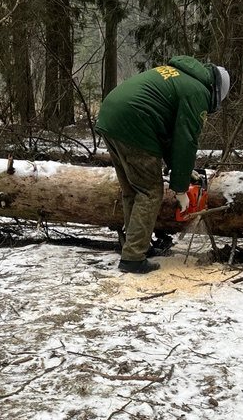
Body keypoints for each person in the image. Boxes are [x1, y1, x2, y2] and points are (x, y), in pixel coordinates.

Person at [96, 57, 231, 273]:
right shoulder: (198, 92)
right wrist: (180, 189)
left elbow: (169, 136)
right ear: (216, 91)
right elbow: (186, 140)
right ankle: (133, 257)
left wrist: (185, 173)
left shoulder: (180, 76)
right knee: (149, 192)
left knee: (133, 190)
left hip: (110, 116)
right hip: (134, 122)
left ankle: (133, 246)